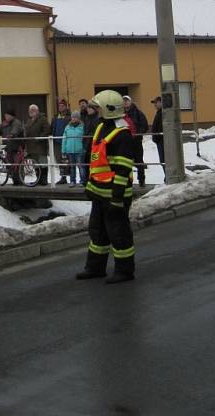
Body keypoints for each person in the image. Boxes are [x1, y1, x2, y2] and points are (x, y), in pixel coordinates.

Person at [76, 90, 136, 284]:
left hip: (115, 195)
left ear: (109, 109)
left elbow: (122, 168)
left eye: (99, 107)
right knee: (97, 231)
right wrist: (90, 186)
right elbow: (96, 162)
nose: (95, 109)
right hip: (99, 192)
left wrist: (117, 197)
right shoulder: (102, 126)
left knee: (118, 233)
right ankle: (95, 268)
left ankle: (124, 271)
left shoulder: (123, 135)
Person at [0, 108, 25, 185]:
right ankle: (15, 181)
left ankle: (20, 181)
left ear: (12, 116)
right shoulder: (4, 124)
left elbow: (15, 130)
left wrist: (12, 134)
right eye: (5, 115)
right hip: (8, 147)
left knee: (17, 164)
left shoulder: (16, 123)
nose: (6, 117)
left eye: (7, 115)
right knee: (10, 164)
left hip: (16, 147)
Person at [123, 95, 149, 187]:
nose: (125, 102)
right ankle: (128, 181)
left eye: (127, 101)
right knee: (126, 162)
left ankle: (141, 180)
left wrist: (138, 134)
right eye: (124, 101)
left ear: (131, 102)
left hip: (136, 141)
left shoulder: (138, 113)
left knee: (139, 161)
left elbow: (144, 125)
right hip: (124, 142)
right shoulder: (119, 114)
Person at [25, 103, 52, 185]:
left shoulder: (43, 119)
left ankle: (44, 180)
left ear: (37, 111)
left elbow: (47, 130)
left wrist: (39, 138)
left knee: (43, 163)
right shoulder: (29, 121)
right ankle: (38, 179)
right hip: (31, 146)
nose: (31, 112)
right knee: (35, 164)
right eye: (30, 110)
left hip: (40, 146)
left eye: (33, 110)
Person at [50, 98, 71, 184]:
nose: (61, 107)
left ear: (66, 107)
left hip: (66, 142)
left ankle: (70, 178)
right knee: (59, 160)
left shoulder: (69, 117)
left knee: (66, 160)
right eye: (59, 106)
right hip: (57, 142)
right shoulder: (55, 117)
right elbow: (52, 128)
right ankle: (63, 177)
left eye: (62, 106)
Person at [62, 111, 85, 186]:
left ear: (79, 118)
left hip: (79, 150)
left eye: (76, 117)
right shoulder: (67, 127)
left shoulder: (82, 127)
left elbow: (84, 139)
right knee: (72, 167)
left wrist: (84, 148)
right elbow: (64, 139)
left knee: (80, 166)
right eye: (73, 117)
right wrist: (63, 149)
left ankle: (82, 181)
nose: (74, 119)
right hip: (70, 150)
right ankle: (72, 181)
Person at [81, 100, 100, 186]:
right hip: (87, 142)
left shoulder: (97, 118)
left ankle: (92, 179)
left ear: (94, 109)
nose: (88, 110)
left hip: (93, 143)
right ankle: (87, 179)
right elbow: (85, 130)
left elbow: (95, 131)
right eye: (88, 108)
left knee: (93, 162)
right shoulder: (87, 118)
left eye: (90, 108)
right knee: (86, 162)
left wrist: (88, 138)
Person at [151, 96, 165, 181]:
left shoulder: (163, 113)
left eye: (156, 103)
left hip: (162, 140)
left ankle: (168, 177)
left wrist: (158, 137)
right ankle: (167, 176)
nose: (155, 105)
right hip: (159, 140)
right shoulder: (159, 113)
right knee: (162, 160)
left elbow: (161, 127)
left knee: (164, 160)